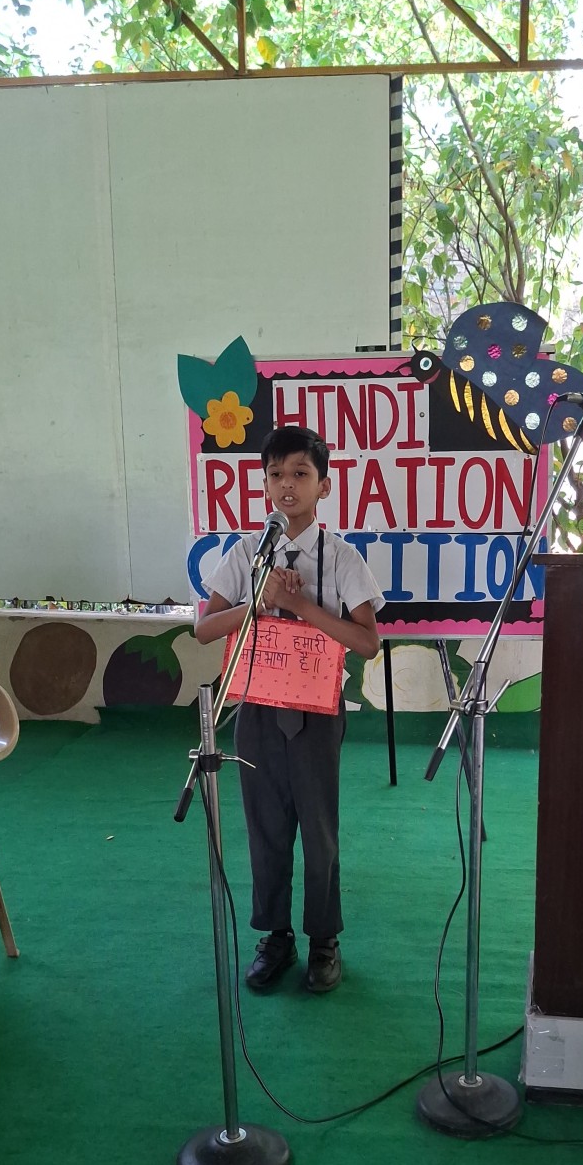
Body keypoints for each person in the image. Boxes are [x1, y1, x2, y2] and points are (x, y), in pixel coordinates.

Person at [195, 426, 383, 995]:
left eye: (301, 473)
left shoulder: (342, 557)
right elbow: (205, 627)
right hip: (257, 709)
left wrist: (298, 603)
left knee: (318, 829)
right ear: (264, 483)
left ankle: (324, 939)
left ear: (324, 485)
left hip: (317, 711)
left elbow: (367, 641)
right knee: (265, 828)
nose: (287, 486)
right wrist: (259, 603)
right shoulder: (247, 553)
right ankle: (275, 936)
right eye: (276, 474)